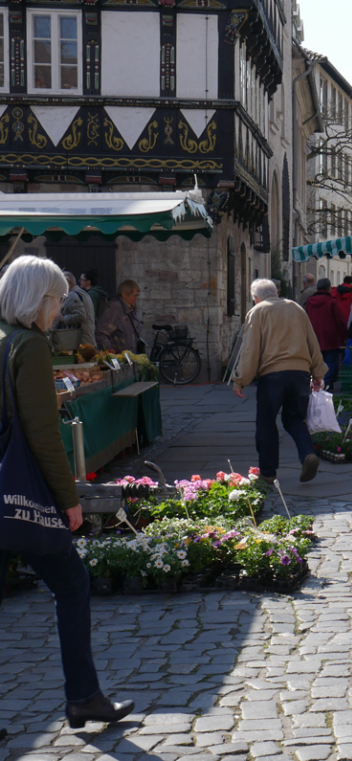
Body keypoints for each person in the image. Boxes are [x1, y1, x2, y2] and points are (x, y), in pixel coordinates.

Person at [0, 256, 134, 733]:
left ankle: (84, 697)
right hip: (23, 494)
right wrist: (69, 498)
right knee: (72, 586)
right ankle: (83, 696)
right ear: (38, 299)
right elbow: (41, 432)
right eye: (56, 300)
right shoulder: (30, 345)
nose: (58, 311)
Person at [231, 279, 327, 484]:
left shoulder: (258, 311)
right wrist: (318, 372)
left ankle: (268, 472)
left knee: (266, 422)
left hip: (272, 375)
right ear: (276, 292)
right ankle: (307, 454)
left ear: (255, 298)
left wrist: (241, 379)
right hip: (300, 372)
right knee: (294, 419)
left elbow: (250, 349)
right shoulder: (296, 308)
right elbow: (312, 341)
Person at [305, 278, 347, 389]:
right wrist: (344, 336)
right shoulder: (332, 301)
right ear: (328, 288)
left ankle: (317, 382)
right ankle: (327, 382)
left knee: (317, 361)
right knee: (331, 360)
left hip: (314, 335)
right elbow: (340, 320)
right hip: (330, 336)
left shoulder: (309, 301)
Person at [95, 280, 142, 353]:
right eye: (134, 295)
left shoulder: (131, 309)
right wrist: (109, 349)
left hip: (130, 358)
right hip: (119, 359)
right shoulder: (115, 308)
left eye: (137, 295)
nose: (137, 298)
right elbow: (101, 333)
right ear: (124, 294)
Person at [56, 271, 96, 347]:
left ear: (69, 282)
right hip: (87, 339)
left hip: (81, 341)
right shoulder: (83, 293)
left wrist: (63, 318)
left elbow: (81, 315)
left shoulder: (72, 295)